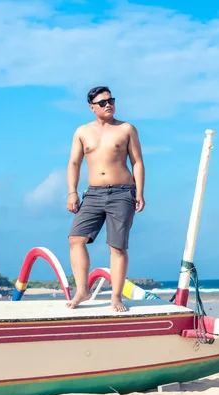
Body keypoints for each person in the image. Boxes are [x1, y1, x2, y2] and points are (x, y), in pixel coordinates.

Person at [65, 86, 145, 312]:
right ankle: (82, 290)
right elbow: (74, 163)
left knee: (117, 247)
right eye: (102, 102)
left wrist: (139, 192)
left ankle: (116, 297)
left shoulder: (126, 129)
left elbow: (137, 161)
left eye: (111, 100)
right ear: (92, 107)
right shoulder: (82, 132)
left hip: (122, 192)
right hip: (93, 194)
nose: (108, 104)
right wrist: (72, 191)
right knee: (75, 239)